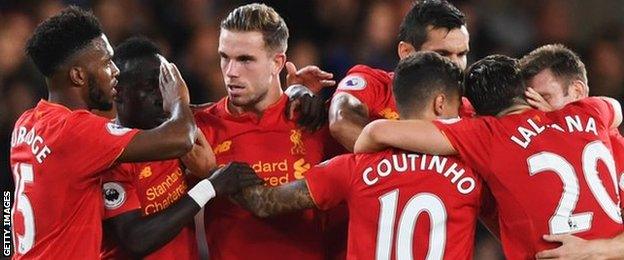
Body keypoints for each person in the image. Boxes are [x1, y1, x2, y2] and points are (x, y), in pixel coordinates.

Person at [354, 55, 624, 259]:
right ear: (525, 93)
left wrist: (362, 155)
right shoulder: (591, 112)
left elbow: (377, 131)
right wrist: (554, 116)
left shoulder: (487, 133)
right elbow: (615, 107)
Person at [233, 52, 484, 260]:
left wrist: (212, 172)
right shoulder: (474, 169)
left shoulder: (354, 167)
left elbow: (263, 203)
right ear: (440, 104)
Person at [9, 6, 197, 259]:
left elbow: (8, 201)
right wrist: (178, 99)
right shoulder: (77, 132)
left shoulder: (26, 123)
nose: (115, 71)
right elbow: (180, 139)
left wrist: (6, 246)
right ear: (78, 75)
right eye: (107, 62)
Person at [193, 4, 340, 260]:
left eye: (245, 59)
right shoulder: (202, 128)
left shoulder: (315, 120)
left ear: (277, 62)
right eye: (224, 57)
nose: (230, 72)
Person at [99, 37, 262, 259]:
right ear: (118, 93)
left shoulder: (176, 130)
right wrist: (209, 187)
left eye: (166, 86)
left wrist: (298, 92)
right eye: (150, 86)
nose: (163, 98)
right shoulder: (111, 153)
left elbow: (241, 112)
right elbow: (136, 239)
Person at [518, 44, 624, 259]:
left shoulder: (616, 150)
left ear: (577, 92)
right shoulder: (524, 155)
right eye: (529, 104)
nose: (537, 113)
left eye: (545, 98)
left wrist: (590, 250)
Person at [328, 0, 472, 151]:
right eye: (442, 54)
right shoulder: (374, 85)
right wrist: (403, 166)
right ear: (407, 52)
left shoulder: (469, 110)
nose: (456, 64)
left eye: (462, 54)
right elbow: (342, 123)